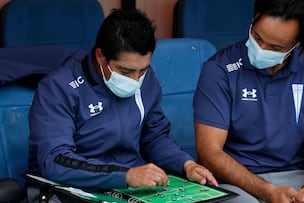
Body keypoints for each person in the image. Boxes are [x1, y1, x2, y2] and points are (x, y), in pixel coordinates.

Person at [27, 8, 217, 202]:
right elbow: (55, 161)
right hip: (74, 190)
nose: (136, 80)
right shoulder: (59, 88)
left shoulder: (147, 80)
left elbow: (154, 139)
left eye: (142, 70)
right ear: (100, 56)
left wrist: (186, 164)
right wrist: (125, 175)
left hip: (132, 189)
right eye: (126, 71)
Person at [193, 0, 304, 202]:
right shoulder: (219, 69)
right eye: (257, 37)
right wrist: (268, 192)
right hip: (238, 183)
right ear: (254, 20)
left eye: (275, 47)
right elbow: (209, 153)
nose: (261, 49)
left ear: (298, 45)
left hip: (298, 178)